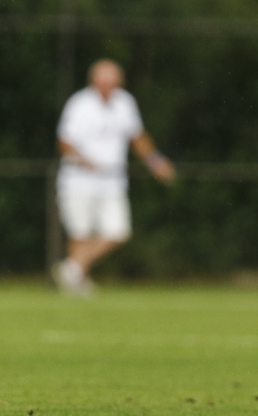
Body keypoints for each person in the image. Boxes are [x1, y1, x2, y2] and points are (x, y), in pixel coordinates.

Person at [52, 59, 175, 295]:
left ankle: (71, 268)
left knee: (117, 232)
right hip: (78, 180)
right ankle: (79, 282)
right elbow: (65, 142)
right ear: (94, 81)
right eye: (104, 80)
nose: (109, 85)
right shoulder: (80, 104)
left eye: (113, 81)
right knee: (80, 232)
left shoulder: (125, 103)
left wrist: (156, 162)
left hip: (113, 181)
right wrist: (86, 162)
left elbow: (137, 137)